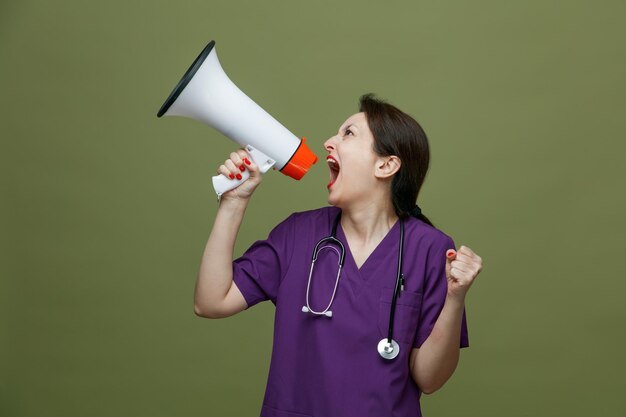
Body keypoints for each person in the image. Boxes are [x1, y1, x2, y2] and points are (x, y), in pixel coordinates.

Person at [194, 94, 483, 417]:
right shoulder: (297, 234)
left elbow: (429, 379)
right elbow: (210, 301)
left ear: (386, 165)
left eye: (348, 134)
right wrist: (233, 204)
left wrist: (455, 298)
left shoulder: (429, 248)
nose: (329, 141)